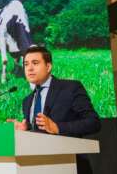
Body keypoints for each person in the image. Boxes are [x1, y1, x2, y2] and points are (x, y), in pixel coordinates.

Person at [7, 46, 101, 174]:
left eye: (35, 63)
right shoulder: (27, 101)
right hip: (37, 167)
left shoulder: (70, 88)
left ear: (48, 66)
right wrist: (25, 130)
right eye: (26, 64)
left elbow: (93, 122)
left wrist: (58, 127)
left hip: (70, 165)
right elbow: (37, 135)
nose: (29, 68)